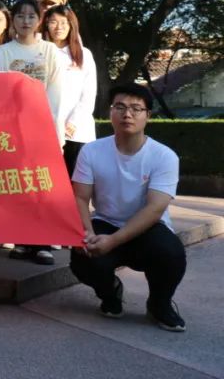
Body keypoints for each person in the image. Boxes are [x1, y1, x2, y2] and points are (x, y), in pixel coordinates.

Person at [70, 84, 187, 332]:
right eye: (120, 107)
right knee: (81, 257)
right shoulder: (91, 151)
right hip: (105, 221)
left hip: (148, 226)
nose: (127, 114)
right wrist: (86, 233)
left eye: (136, 108)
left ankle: (159, 304)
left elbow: (155, 209)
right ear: (110, 111)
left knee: (171, 254)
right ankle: (110, 293)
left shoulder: (164, 156)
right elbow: (79, 197)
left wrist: (113, 241)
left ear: (148, 116)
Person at [0, 0, 63, 265]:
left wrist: (51, 127)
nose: (25, 21)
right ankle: (22, 241)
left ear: (39, 20)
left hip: (42, 127)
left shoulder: (49, 50)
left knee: (42, 187)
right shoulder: (3, 52)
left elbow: (56, 91)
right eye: (20, 16)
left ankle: (43, 243)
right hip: (13, 129)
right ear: (12, 20)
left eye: (31, 16)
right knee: (19, 185)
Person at [43, 5, 98, 176]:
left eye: (64, 22)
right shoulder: (40, 53)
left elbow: (88, 93)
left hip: (76, 131)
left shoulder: (83, 54)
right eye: (53, 22)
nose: (58, 27)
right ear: (46, 24)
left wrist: (73, 122)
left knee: (76, 182)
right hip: (46, 129)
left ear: (71, 25)